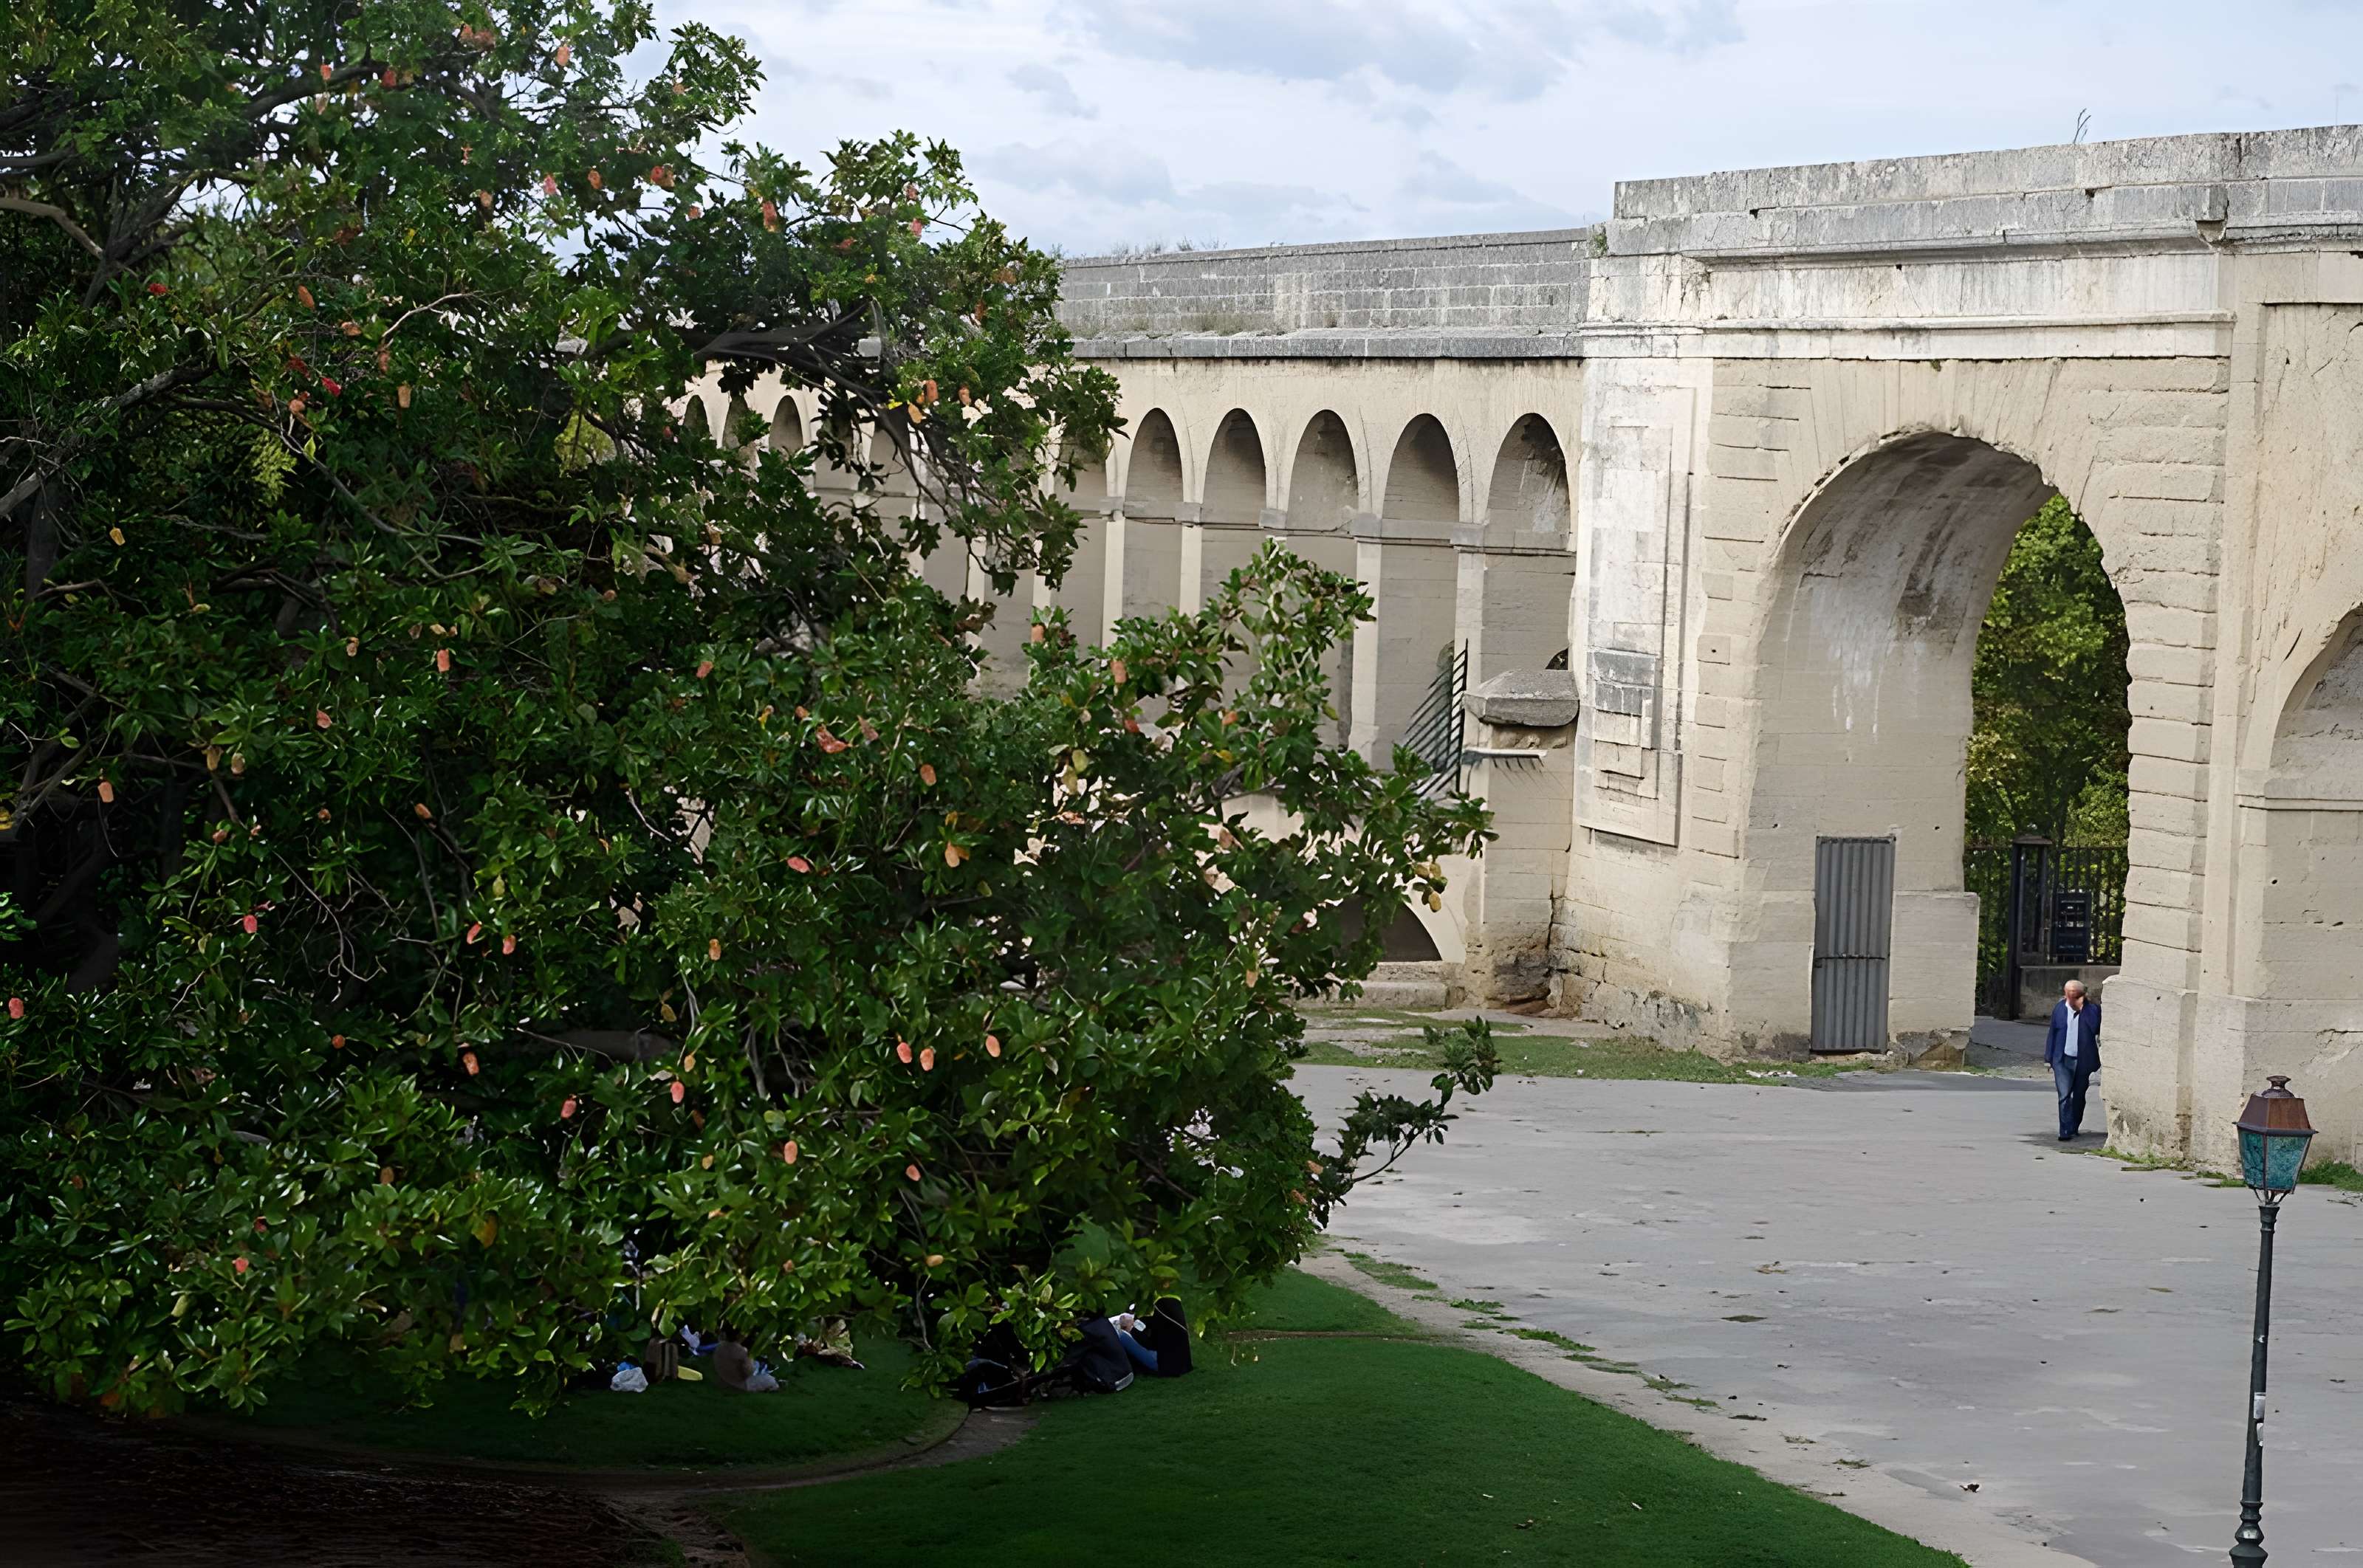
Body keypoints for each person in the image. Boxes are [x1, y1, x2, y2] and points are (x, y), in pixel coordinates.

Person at [2043, 978, 2102, 1141]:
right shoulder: (2060, 1009)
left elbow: (2096, 1028)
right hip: (2062, 1059)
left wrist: (2085, 1008)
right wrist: (2048, 1058)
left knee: (2078, 1096)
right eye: (2069, 994)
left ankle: (2074, 1126)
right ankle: (2065, 1131)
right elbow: (2053, 1033)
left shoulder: (2093, 1010)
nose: (2071, 998)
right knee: (2064, 1096)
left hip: (2083, 1061)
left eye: (2075, 995)